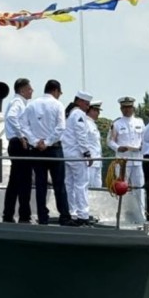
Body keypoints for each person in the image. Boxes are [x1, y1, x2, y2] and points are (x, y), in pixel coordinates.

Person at [18, 78, 73, 225]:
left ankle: (43, 217)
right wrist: (47, 142)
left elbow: (23, 126)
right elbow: (61, 127)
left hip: (36, 150)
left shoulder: (31, 105)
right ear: (55, 91)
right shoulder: (57, 105)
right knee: (59, 184)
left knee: (41, 185)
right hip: (54, 148)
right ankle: (64, 216)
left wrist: (36, 141)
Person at [61, 91, 97, 225]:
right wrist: (87, 153)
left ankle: (72, 211)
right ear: (80, 101)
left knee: (69, 184)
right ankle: (83, 214)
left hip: (66, 154)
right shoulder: (79, 114)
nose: (87, 107)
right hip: (77, 155)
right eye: (86, 104)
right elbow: (81, 136)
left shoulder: (68, 113)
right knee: (81, 184)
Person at [2, 78, 34, 223]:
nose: (31, 91)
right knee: (24, 181)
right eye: (29, 89)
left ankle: (8, 214)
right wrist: (21, 136)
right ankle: (24, 215)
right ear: (22, 90)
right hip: (19, 144)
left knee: (15, 181)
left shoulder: (19, 102)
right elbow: (11, 117)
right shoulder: (18, 103)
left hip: (15, 143)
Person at [108, 96, 146, 214]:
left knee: (139, 188)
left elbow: (144, 138)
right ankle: (121, 214)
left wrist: (142, 146)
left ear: (133, 108)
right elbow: (110, 141)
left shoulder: (140, 122)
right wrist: (118, 147)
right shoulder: (117, 124)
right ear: (121, 108)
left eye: (129, 107)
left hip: (137, 159)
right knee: (121, 187)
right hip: (123, 160)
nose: (127, 110)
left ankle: (140, 215)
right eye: (124, 107)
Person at [87, 100, 104, 189]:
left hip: (97, 161)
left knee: (98, 187)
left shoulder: (93, 124)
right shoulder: (85, 123)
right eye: (96, 111)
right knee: (88, 187)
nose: (98, 113)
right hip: (90, 162)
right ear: (90, 110)